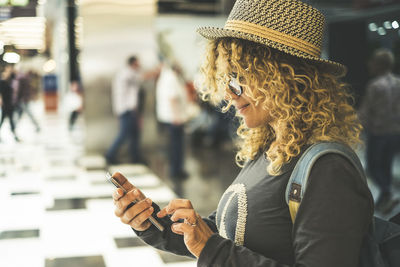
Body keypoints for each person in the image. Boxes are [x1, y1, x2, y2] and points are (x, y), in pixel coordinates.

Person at [111, 0, 374, 266]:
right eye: (227, 79)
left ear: (283, 77)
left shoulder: (328, 168)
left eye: (237, 78)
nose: (228, 93)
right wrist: (154, 223)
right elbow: (229, 232)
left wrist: (209, 247)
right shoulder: (269, 147)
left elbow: (217, 247)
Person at [359, 48, 400, 214]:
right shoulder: (398, 83)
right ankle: (386, 196)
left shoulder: (375, 85)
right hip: (395, 132)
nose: (369, 64)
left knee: (374, 167)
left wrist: (354, 127)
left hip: (378, 133)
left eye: (372, 61)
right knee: (387, 165)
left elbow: (365, 111)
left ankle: (387, 193)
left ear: (379, 64)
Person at [105, 56, 156, 164]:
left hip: (130, 110)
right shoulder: (127, 73)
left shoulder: (127, 73)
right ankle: (110, 155)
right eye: (138, 64)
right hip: (126, 110)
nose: (139, 66)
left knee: (134, 134)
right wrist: (157, 70)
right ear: (132, 64)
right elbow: (143, 77)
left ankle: (135, 157)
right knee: (124, 134)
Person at [156, 61, 189, 184]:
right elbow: (172, 98)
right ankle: (176, 171)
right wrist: (176, 116)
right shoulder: (171, 78)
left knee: (175, 145)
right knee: (177, 146)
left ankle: (176, 169)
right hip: (174, 118)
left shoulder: (166, 77)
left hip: (170, 117)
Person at [0, 65, 20, 142]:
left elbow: (17, 77)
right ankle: (15, 136)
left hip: (10, 102)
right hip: (5, 103)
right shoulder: (2, 80)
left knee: (10, 120)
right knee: (3, 120)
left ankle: (15, 135)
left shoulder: (12, 78)